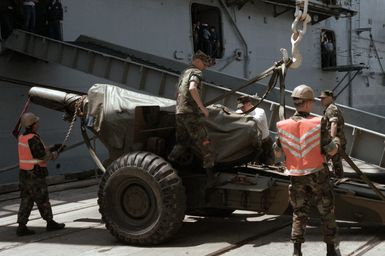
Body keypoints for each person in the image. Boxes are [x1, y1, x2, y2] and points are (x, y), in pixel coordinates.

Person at [273, 85, 340, 256]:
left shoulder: (282, 125)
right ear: (308, 103)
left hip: (296, 177)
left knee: (299, 213)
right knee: (326, 211)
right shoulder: (318, 122)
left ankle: (297, 251)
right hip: (318, 175)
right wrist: (337, 142)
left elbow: (278, 153)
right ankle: (331, 250)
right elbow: (331, 150)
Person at [16, 112, 65, 236]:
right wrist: (55, 154)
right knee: (42, 199)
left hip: (24, 175)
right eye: (36, 122)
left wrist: (53, 147)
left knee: (26, 199)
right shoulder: (33, 138)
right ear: (32, 125)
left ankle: (21, 226)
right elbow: (41, 155)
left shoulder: (23, 137)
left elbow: (35, 150)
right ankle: (50, 222)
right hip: (35, 174)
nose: (38, 124)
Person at [168, 50, 215, 178]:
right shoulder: (196, 72)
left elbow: (177, 93)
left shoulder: (184, 73)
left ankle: (169, 167)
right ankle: (210, 177)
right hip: (190, 114)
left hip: (179, 112)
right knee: (205, 142)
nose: (205, 67)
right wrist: (202, 108)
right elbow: (192, 88)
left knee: (181, 143)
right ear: (197, 61)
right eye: (204, 64)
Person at [236, 95, 274, 165]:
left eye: (243, 107)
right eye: (240, 107)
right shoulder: (239, 112)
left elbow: (255, 121)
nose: (241, 109)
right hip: (251, 144)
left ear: (249, 104)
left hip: (264, 144)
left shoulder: (259, 111)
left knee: (267, 165)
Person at [319, 90, 346, 178]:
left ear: (330, 98)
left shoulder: (331, 109)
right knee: (336, 162)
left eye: (323, 98)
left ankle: (321, 179)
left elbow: (333, 123)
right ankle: (339, 178)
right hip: (339, 141)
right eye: (320, 98)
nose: (321, 100)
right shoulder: (332, 108)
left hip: (335, 141)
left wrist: (331, 140)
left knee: (322, 160)